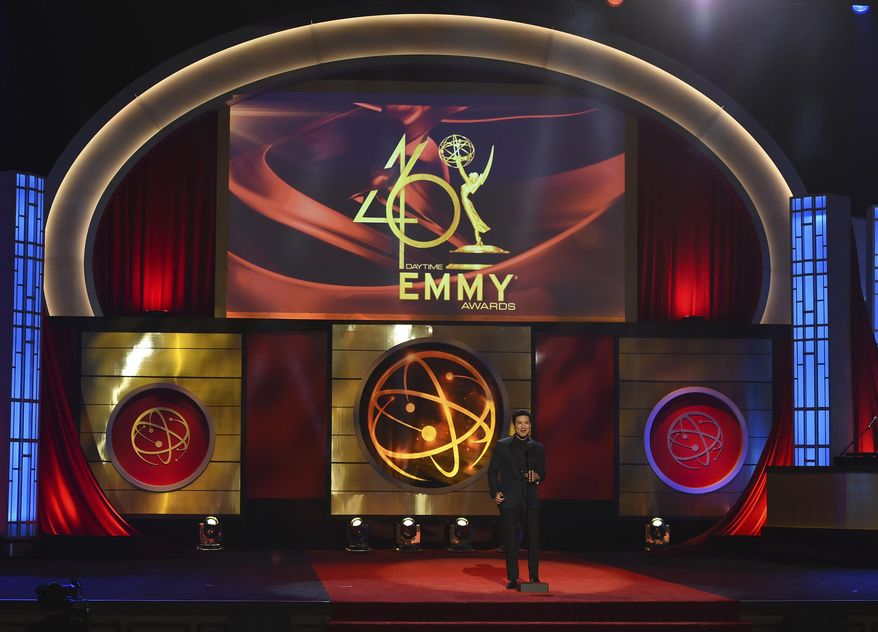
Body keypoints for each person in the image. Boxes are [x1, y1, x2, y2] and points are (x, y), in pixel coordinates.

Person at [487, 408, 546, 589]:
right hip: (509, 499)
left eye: (526, 423)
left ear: (530, 426)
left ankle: (534, 578)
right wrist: (496, 492)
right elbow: (492, 471)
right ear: (514, 425)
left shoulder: (538, 447)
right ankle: (513, 577)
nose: (523, 426)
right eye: (519, 423)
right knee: (511, 541)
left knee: (533, 540)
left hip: (530, 499)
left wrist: (537, 476)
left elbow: (543, 472)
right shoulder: (503, 445)